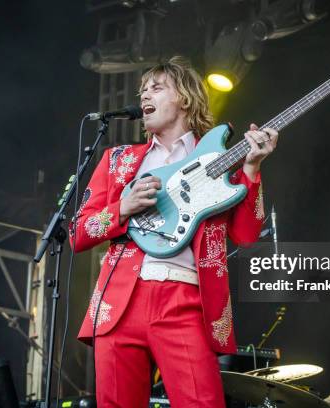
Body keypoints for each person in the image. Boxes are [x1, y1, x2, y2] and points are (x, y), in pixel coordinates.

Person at [69, 56, 278, 407]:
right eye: (142, 90)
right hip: (120, 301)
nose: (144, 95)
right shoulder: (119, 161)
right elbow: (78, 233)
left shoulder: (216, 160)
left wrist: (252, 169)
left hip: (185, 300)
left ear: (184, 98)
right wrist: (123, 207)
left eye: (156, 87)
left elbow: (245, 236)